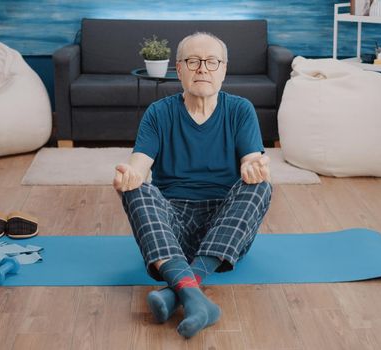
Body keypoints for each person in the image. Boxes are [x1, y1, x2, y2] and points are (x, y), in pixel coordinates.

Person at [113, 32, 272, 338]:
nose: (202, 68)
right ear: (179, 68)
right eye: (193, 61)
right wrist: (128, 177)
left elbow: (251, 160)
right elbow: (139, 164)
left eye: (212, 62)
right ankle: (197, 299)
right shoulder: (159, 113)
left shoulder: (240, 110)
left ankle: (177, 292)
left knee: (261, 186)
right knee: (137, 190)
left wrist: (255, 168)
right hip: (172, 225)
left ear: (223, 69)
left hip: (226, 226)